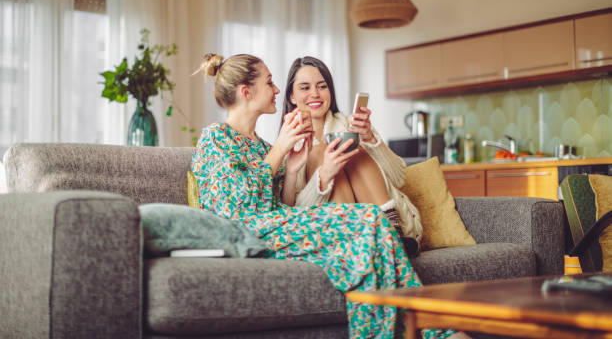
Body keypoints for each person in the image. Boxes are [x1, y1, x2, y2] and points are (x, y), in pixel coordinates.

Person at [191, 52, 461, 339]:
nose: (277, 89)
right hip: (246, 233)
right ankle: (437, 331)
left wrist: (293, 171)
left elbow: (282, 205)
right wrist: (281, 150)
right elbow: (238, 206)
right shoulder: (215, 137)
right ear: (246, 92)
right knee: (368, 221)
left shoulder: (260, 145)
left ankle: (433, 329)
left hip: (277, 225)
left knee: (372, 220)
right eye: (269, 82)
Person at [281, 56, 421, 255]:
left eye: (322, 86)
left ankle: (392, 235)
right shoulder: (286, 146)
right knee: (326, 152)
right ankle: (358, 237)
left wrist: (371, 139)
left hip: (387, 223)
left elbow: (400, 178)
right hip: (336, 231)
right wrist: (324, 176)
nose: (315, 94)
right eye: (304, 88)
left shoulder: (352, 126)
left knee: (346, 145)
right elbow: (292, 214)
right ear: (292, 96)